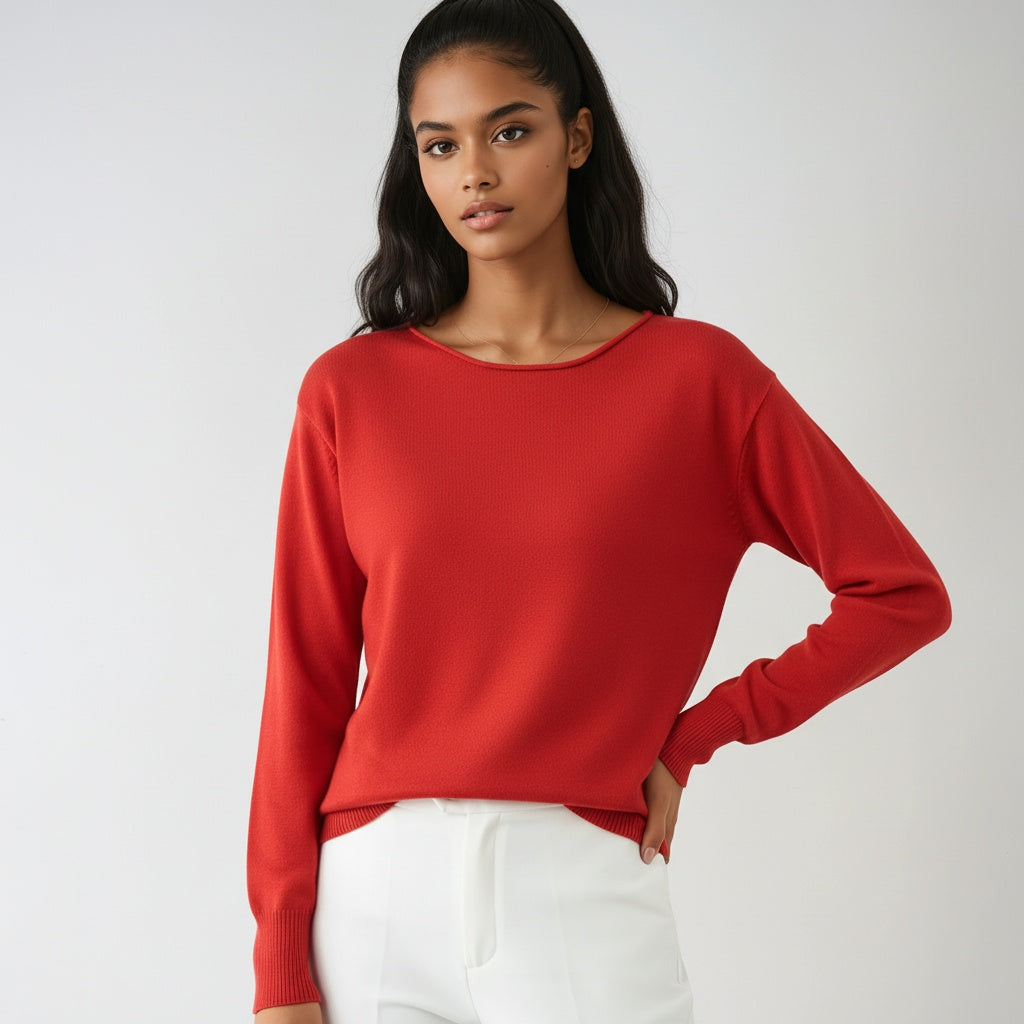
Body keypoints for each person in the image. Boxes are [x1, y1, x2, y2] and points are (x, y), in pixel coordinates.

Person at [245, 1, 952, 1021]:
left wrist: (697, 733)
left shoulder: (699, 383)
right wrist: (280, 964)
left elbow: (899, 594)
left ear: (576, 137)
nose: (474, 173)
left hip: (579, 890)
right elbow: (303, 683)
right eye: (440, 145)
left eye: (509, 130)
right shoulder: (350, 391)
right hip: (376, 899)